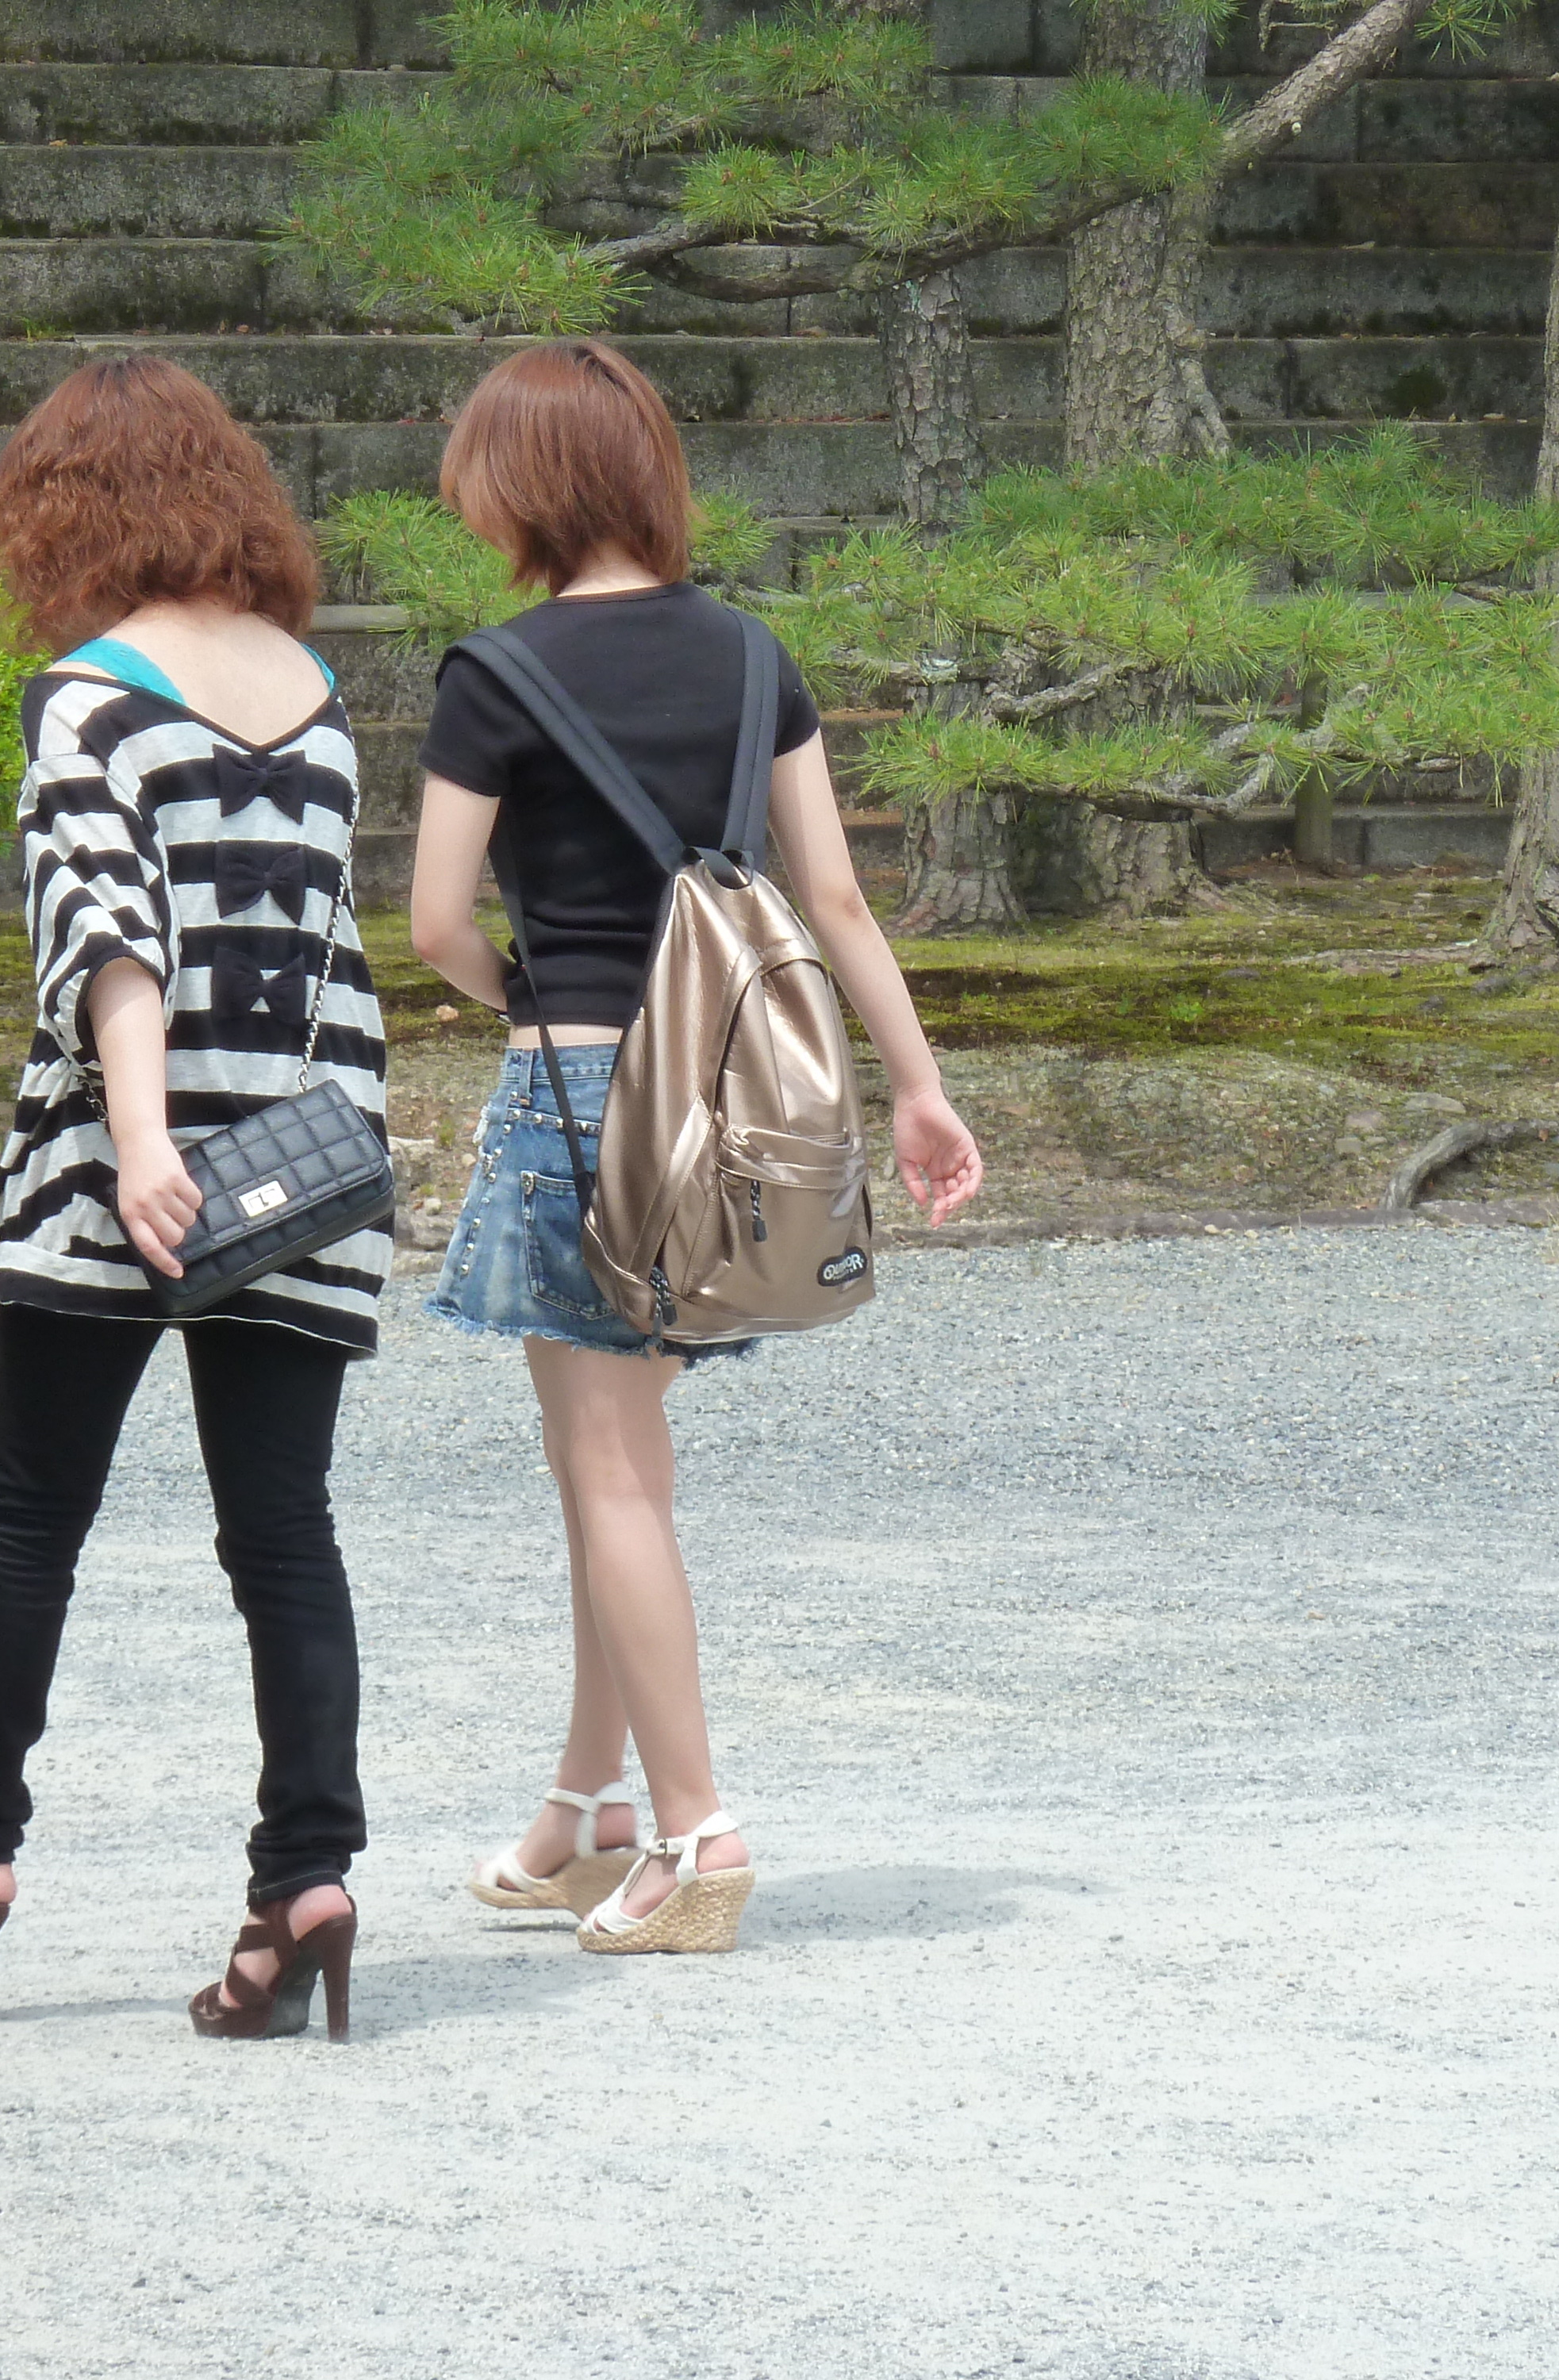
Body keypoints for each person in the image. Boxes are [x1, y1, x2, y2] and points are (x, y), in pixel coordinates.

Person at [409, 339, 985, 1955]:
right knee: (615, 1465)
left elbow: (436, 917)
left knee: (605, 1474)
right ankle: (583, 1813)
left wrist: (522, 996)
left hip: (583, 1099)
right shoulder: (748, 658)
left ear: (517, 483)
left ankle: (696, 1838)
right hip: (730, 1109)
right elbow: (837, 899)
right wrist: (919, 1090)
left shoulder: (494, 672)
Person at [0, 353, 386, 2039]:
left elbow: (107, 933)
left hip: (124, 1166)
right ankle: (302, 1882)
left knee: (29, 1519)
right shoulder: (318, 700)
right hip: (303, 1172)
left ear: (59, 511)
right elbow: (321, 960)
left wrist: (145, 1140)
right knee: (284, 1539)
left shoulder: (83, 696)